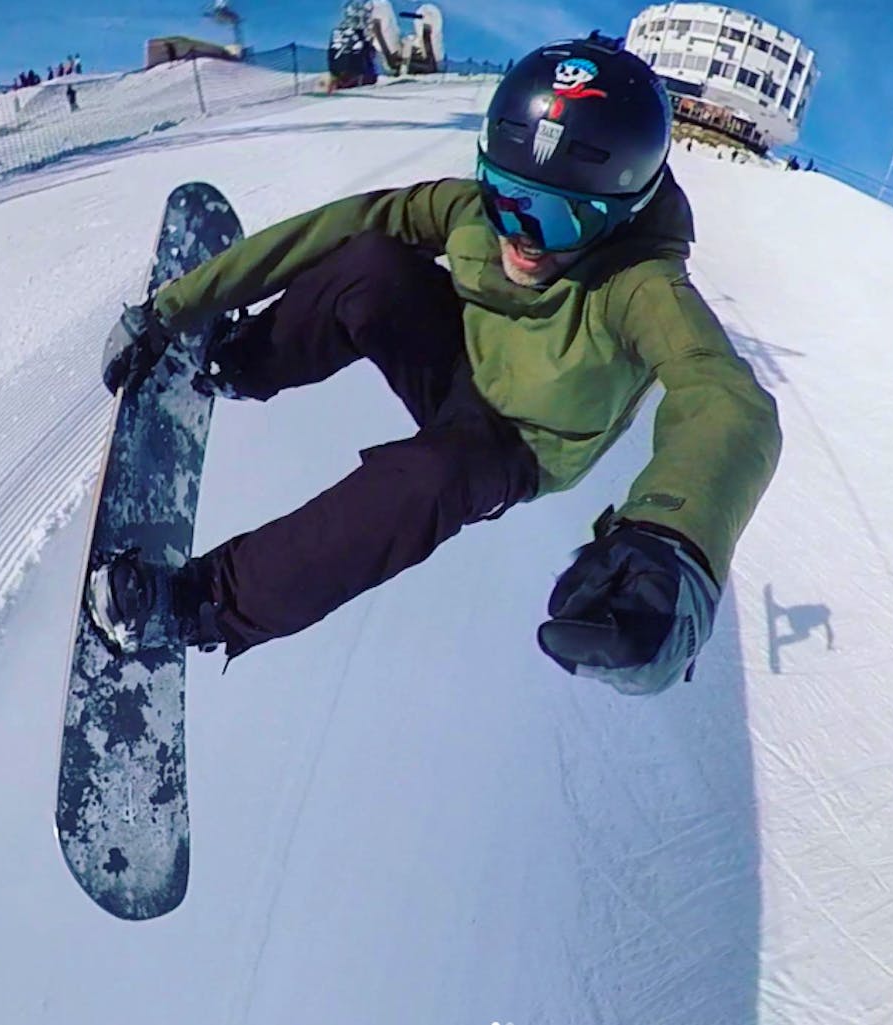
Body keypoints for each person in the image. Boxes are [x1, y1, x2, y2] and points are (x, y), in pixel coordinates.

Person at [96, 32, 781, 696]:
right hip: (460, 365)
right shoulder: (470, 213)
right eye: (509, 198)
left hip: (515, 446)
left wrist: (670, 544)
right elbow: (342, 224)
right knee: (371, 263)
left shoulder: (641, 286)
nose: (524, 237)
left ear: (623, 214)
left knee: (429, 477)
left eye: (560, 219)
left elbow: (724, 399)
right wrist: (177, 307)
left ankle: (200, 604)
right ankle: (240, 361)